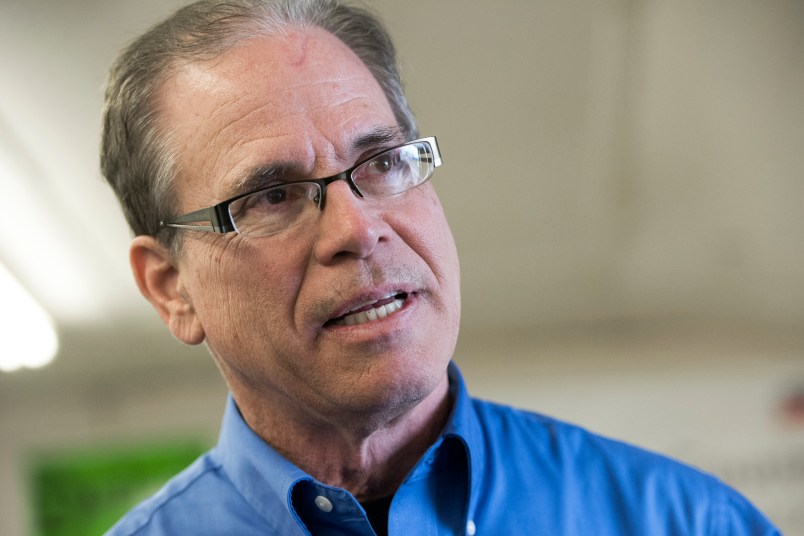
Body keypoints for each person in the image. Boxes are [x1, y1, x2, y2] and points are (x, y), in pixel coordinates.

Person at [100, 1, 778, 534]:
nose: (358, 229)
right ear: (171, 288)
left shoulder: (683, 522)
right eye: (272, 195)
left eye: (384, 162)